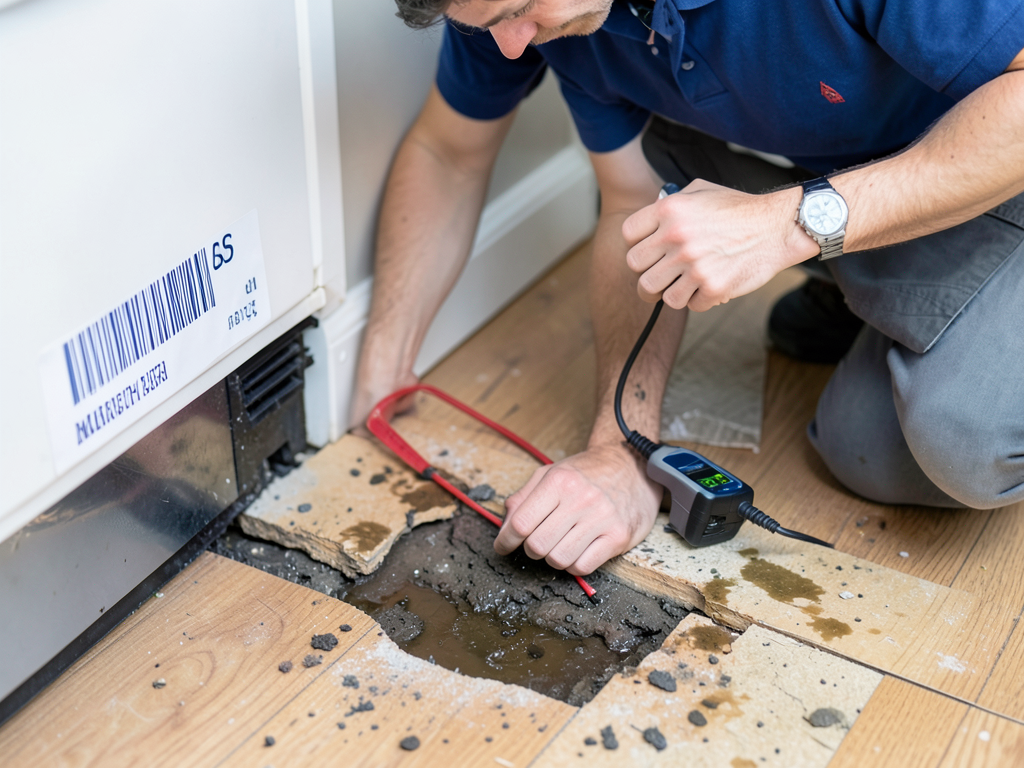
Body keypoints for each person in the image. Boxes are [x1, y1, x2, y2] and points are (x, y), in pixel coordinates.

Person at [351, 0, 1024, 577]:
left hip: (1002, 158)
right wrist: (619, 450)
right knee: (863, 452)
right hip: (877, 184)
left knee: (963, 445)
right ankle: (870, 290)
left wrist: (788, 226)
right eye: (487, 24)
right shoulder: (536, 18)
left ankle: (892, 285)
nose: (510, 43)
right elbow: (617, 195)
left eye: (518, 10)